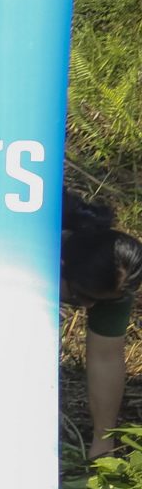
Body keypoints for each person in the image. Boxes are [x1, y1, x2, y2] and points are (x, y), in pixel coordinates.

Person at [63, 194, 140, 459]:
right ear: (62, 268)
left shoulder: (114, 276)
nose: (89, 306)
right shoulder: (28, 254)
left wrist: (103, 440)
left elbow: (106, 358)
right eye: (83, 297)